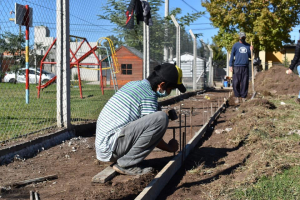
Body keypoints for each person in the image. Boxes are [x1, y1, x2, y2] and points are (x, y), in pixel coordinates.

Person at [95, 63, 186, 175]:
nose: (169, 92)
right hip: (111, 148)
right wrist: (169, 148)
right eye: (170, 89)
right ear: (161, 85)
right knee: (160, 118)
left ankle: (126, 160)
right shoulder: (148, 96)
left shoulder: (135, 85)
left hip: (105, 145)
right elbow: (153, 130)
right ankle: (127, 164)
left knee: (158, 115)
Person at [229, 32, 253, 103]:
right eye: (242, 37)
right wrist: (230, 65)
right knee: (235, 82)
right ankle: (237, 96)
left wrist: (251, 50)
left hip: (245, 66)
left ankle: (243, 97)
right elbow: (231, 56)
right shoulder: (235, 45)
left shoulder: (248, 46)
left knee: (245, 82)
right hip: (237, 66)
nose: (243, 38)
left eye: (244, 37)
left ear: (245, 37)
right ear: (239, 37)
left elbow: (250, 56)